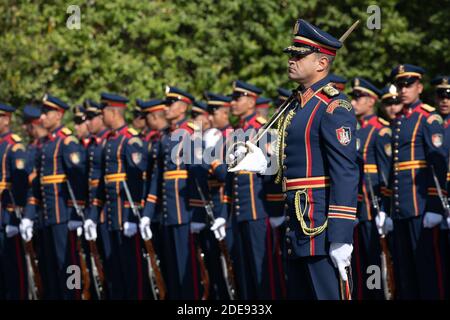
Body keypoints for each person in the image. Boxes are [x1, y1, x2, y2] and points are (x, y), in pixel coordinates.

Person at [229, 19, 359, 300]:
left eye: (299, 55)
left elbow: (345, 172)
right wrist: (263, 163)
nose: (291, 60)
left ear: (322, 64)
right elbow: (291, 160)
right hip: (297, 225)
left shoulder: (334, 107)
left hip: (321, 226)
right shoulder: (295, 105)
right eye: (291, 54)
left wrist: (341, 235)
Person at [388, 64, 447, 299]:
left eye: (408, 84)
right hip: (402, 207)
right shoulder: (400, 119)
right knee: (406, 272)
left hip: (421, 205)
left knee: (427, 270)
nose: (403, 89)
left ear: (419, 87)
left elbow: (438, 162)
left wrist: (434, 204)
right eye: (400, 85)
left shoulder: (428, 117)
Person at [24, 94, 86, 299]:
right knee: (50, 267)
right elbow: (37, 185)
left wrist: (77, 213)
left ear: (58, 115)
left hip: (64, 215)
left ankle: (75, 295)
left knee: (70, 264)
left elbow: (77, 180)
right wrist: (30, 214)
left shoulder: (67, 142)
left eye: (46, 113)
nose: (42, 118)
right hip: (47, 216)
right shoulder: (46, 145)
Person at [350, 77, 392, 300]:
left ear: (371, 101)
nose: (354, 101)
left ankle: (375, 295)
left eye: (359, 97)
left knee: (374, 261)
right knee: (361, 260)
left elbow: (386, 176)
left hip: (374, 209)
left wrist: (384, 209)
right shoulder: (356, 131)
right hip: (359, 209)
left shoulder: (380, 131)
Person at [0, 103, 29, 300]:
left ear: (6, 119)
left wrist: (15, 213)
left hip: (8, 215)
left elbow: (19, 183)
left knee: (14, 269)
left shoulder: (14, 145)